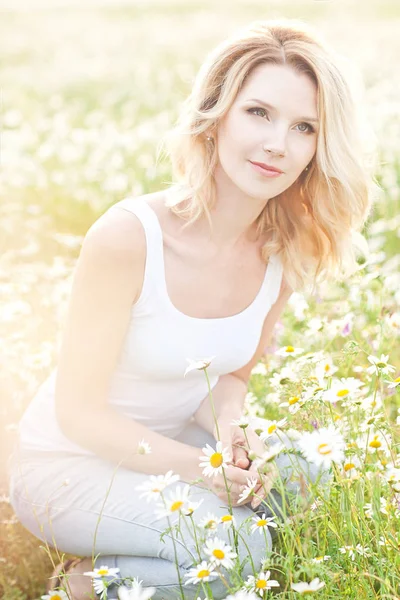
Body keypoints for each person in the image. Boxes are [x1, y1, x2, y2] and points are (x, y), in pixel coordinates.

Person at [7, 17, 374, 600]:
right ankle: (82, 583)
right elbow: (79, 414)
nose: (278, 142)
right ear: (216, 115)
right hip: (66, 466)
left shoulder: (280, 249)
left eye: (304, 126)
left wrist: (232, 429)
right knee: (243, 546)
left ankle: (145, 552)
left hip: (171, 447)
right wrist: (204, 473)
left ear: (317, 148)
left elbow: (230, 376)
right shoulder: (128, 237)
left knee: (310, 472)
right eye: (258, 112)